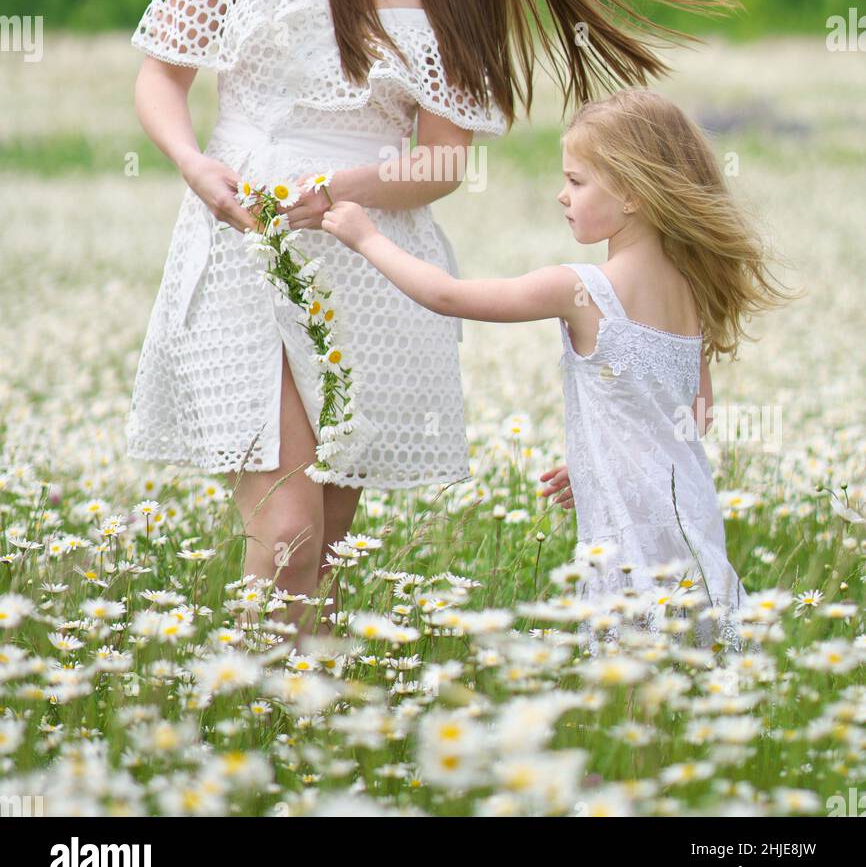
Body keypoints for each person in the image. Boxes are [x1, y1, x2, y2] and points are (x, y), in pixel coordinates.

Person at [125, 0, 740, 632]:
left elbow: (442, 161)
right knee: (287, 529)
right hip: (240, 237)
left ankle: (299, 728)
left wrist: (341, 193)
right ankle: (244, 720)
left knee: (328, 537)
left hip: (368, 253)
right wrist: (192, 162)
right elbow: (159, 75)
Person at [321, 87, 800, 652]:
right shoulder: (691, 289)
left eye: (576, 181)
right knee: (700, 661)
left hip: (625, 532)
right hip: (688, 517)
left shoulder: (583, 289)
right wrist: (604, 456)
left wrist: (366, 237)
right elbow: (695, 413)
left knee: (629, 687)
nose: (561, 195)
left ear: (632, 194)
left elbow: (448, 296)